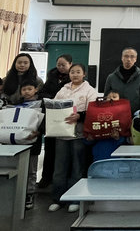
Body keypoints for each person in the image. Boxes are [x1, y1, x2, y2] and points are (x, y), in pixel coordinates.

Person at [48, 63, 98, 213]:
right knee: (59, 168)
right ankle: (58, 199)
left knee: (77, 168)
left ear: (84, 74)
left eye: (78, 72)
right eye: (72, 72)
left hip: (78, 134)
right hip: (61, 133)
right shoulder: (63, 89)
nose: (75, 75)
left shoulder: (89, 90)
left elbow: (93, 111)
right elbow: (54, 105)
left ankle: (75, 199)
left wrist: (80, 116)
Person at [38, 53, 72, 189]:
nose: (61, 67)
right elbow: (42, 93)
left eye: (63, 65)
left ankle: (63, 179)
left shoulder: (72, 78)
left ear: (70, 64)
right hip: (51, 116)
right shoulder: (51, 77)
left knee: (64, 151)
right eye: (59, 65)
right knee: (49, 149)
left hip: (66, 116)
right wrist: (53, 99)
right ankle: (46, 177)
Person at [17, 80, 44, 210]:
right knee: (18, 168)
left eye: (29, 89)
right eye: (24, 90)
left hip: (34, 141)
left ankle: (30, 193)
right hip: (17, 141)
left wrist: (39, 132)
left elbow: (45, 121)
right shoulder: (16, 104)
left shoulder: (41, 104)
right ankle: (18, 193)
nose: (26, 92)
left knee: (31, 170)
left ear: (35, 89)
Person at [104, 47, 140, 112]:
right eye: (126, 56)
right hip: (115, 114)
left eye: (132, 57)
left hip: (135, 115)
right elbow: (106, 98)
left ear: (135, 59)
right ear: (122, 58)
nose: (128, 59)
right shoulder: (111, 77)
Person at [85, 91, 128, 160]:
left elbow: (127, 140)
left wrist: (118, 138)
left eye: (114, 97)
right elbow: (87, 139)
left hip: (117, 157)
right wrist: (89, 139)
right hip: (99, 155)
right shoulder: (96, 114)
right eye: (108, 97)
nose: (111, 99)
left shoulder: (124, 116)